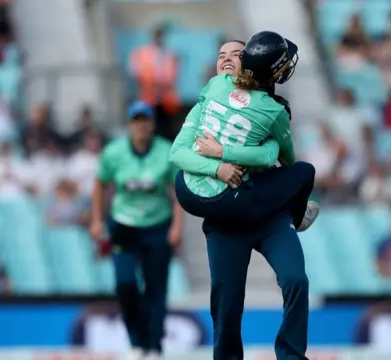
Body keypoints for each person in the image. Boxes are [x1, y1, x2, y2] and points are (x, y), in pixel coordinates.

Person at [169, 31, 314, 359]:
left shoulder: (269, 107)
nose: (227, 59)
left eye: (236, 54)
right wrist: (221, 166)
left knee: (296, 281)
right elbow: (179, 154)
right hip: (229, 215)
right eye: (221, 55)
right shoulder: (210, 95)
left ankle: (291, 356)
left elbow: (281, 158)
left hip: (265, 211)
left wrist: (227, 153)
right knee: (226, 306)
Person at [90, 101, 184, 360]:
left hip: (157, 225)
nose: (141, 125)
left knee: (156, 288)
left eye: (146, 120)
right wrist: (97, 220)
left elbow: (178, 191)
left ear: (152, 124)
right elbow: (100, 183)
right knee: (124, 284)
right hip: (123, 225)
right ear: (130, 125)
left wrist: (177, 226)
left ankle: (153, 347)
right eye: (136, 120)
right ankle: (136, 342)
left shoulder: (167, 152)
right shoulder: (114, 152)